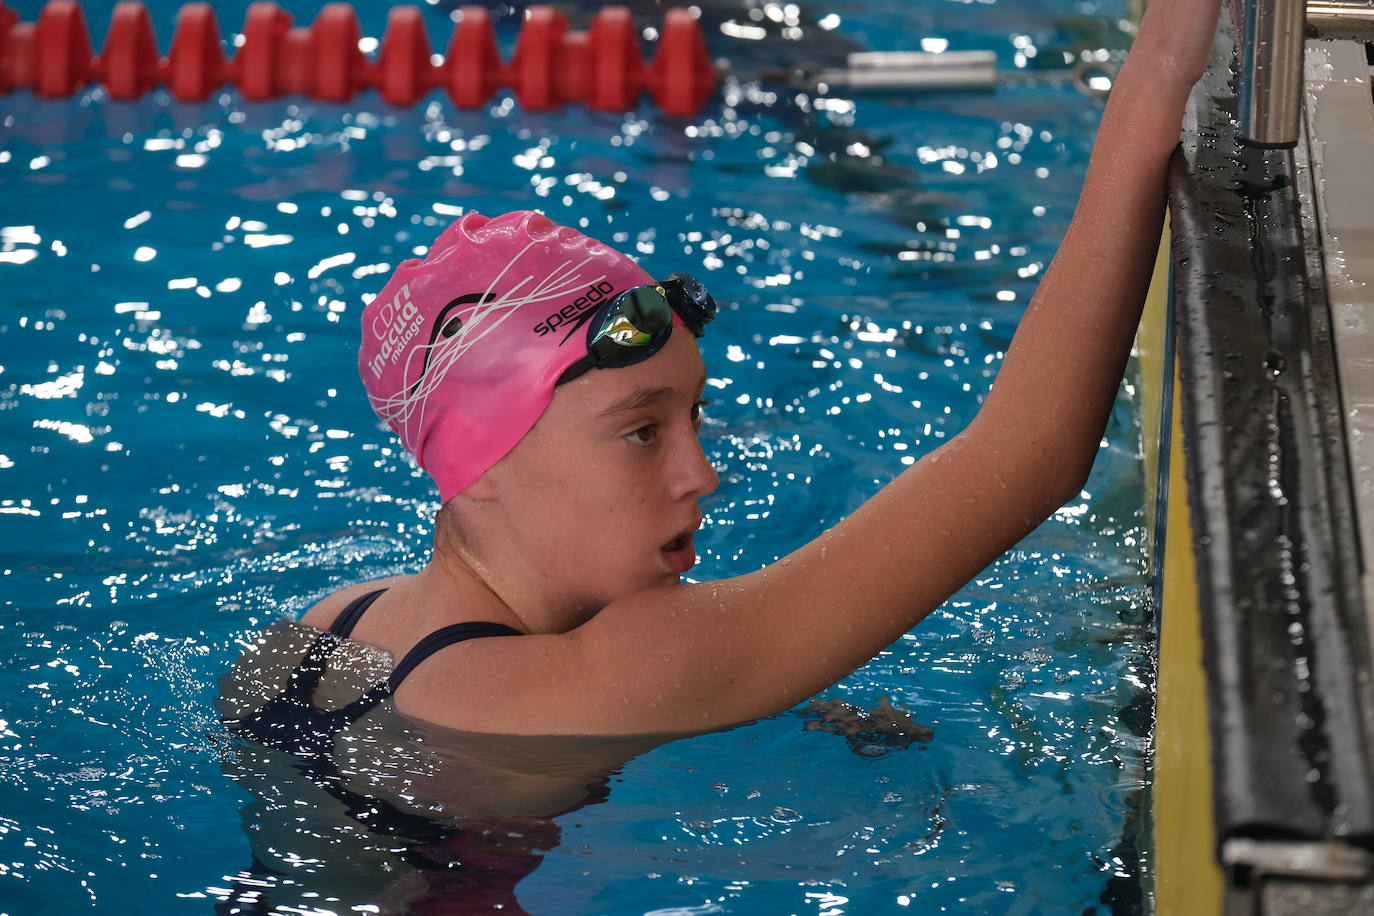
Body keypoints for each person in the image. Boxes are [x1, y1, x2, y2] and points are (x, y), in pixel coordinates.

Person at [216, 0, 1223, 905]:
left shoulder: (312, 637)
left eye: (695, 417)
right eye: (641, 431)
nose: (702, 473)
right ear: (478, 469)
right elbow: (1030, 458)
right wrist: (1157, 75)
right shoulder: (625, 663)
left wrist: (776, 690)